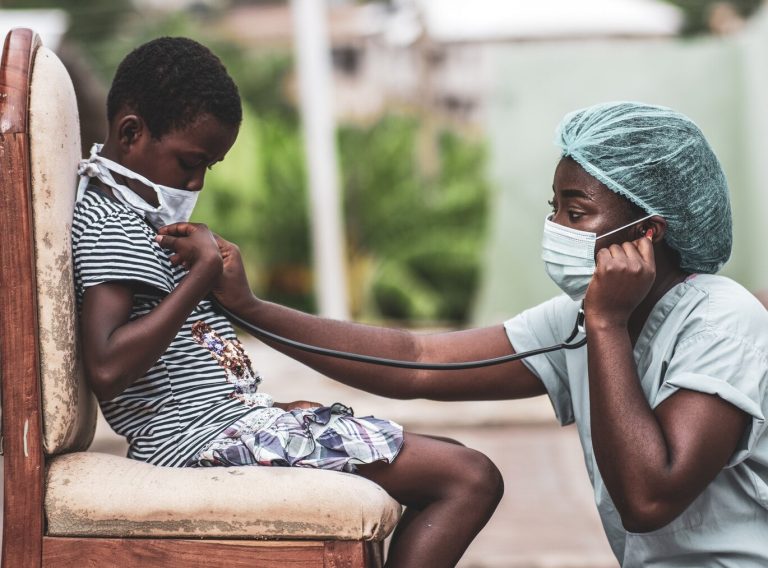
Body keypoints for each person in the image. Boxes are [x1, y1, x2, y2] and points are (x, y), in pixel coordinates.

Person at [160, 101, 768, 567]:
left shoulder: (720, 321)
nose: (554, 225)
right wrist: (251, 308)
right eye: (554, 205)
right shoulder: (584, 315)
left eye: (576, 211)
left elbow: (649, 499)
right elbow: (420, 361)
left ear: (649, 233)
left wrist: (605, 324)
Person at [72, 37, 504, 568]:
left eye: (210, 166)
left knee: (449, 456)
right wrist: (199, 276)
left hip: (231, 424)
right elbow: (108, 365)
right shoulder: (111, 224)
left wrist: (231, 299)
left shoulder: (142, 217)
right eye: (190, 161)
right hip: (197, 446)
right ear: (131, 133)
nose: (196, 181)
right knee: (469, 477)